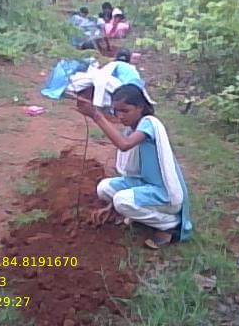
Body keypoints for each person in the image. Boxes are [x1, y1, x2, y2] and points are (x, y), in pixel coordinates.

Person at [76, 84, 193, 248]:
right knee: (104, 188)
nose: (120, 116)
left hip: (162, 192)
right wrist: (110, 208)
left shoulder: (149, 124)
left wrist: (96, 115)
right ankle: (135, 212)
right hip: (143, 183)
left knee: (122, 201)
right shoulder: (131, 130)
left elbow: (124, 145)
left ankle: (169, 224)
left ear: (140, 107)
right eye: (116, 111)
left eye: (125, 110)